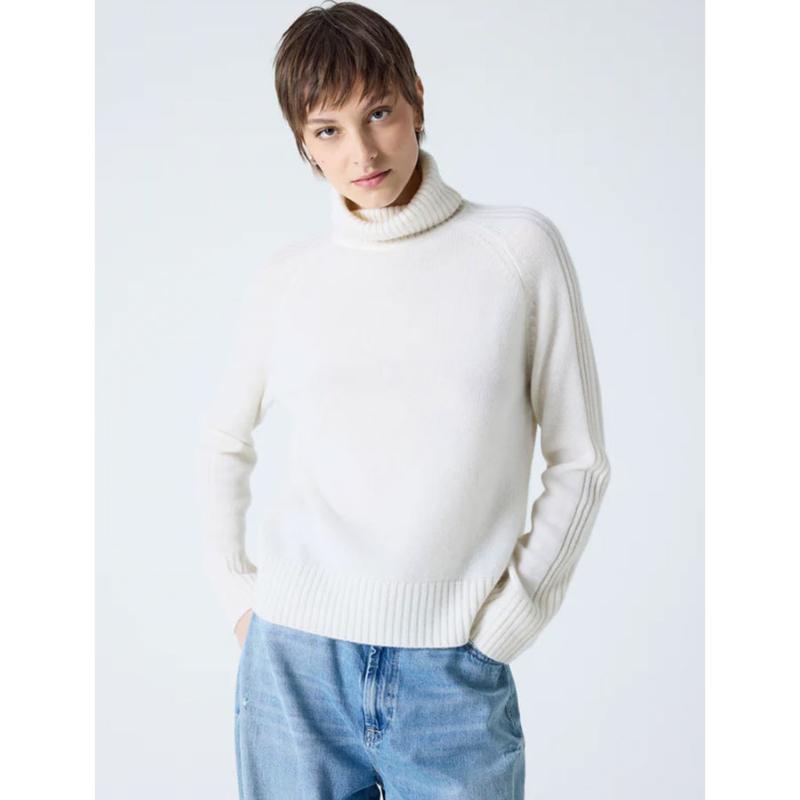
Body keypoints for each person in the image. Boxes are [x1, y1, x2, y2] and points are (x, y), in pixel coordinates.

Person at [196, 2, 611, 797]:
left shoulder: (517, 251)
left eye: (378, 113)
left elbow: (581, 460)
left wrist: (507, 623)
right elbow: (222, 441)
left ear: (416, 97)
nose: (361, 151)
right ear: (303, 144)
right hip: (293, 668)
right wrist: (239, 600)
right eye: (328, 130)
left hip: (451, 674)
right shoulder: (289, 281)